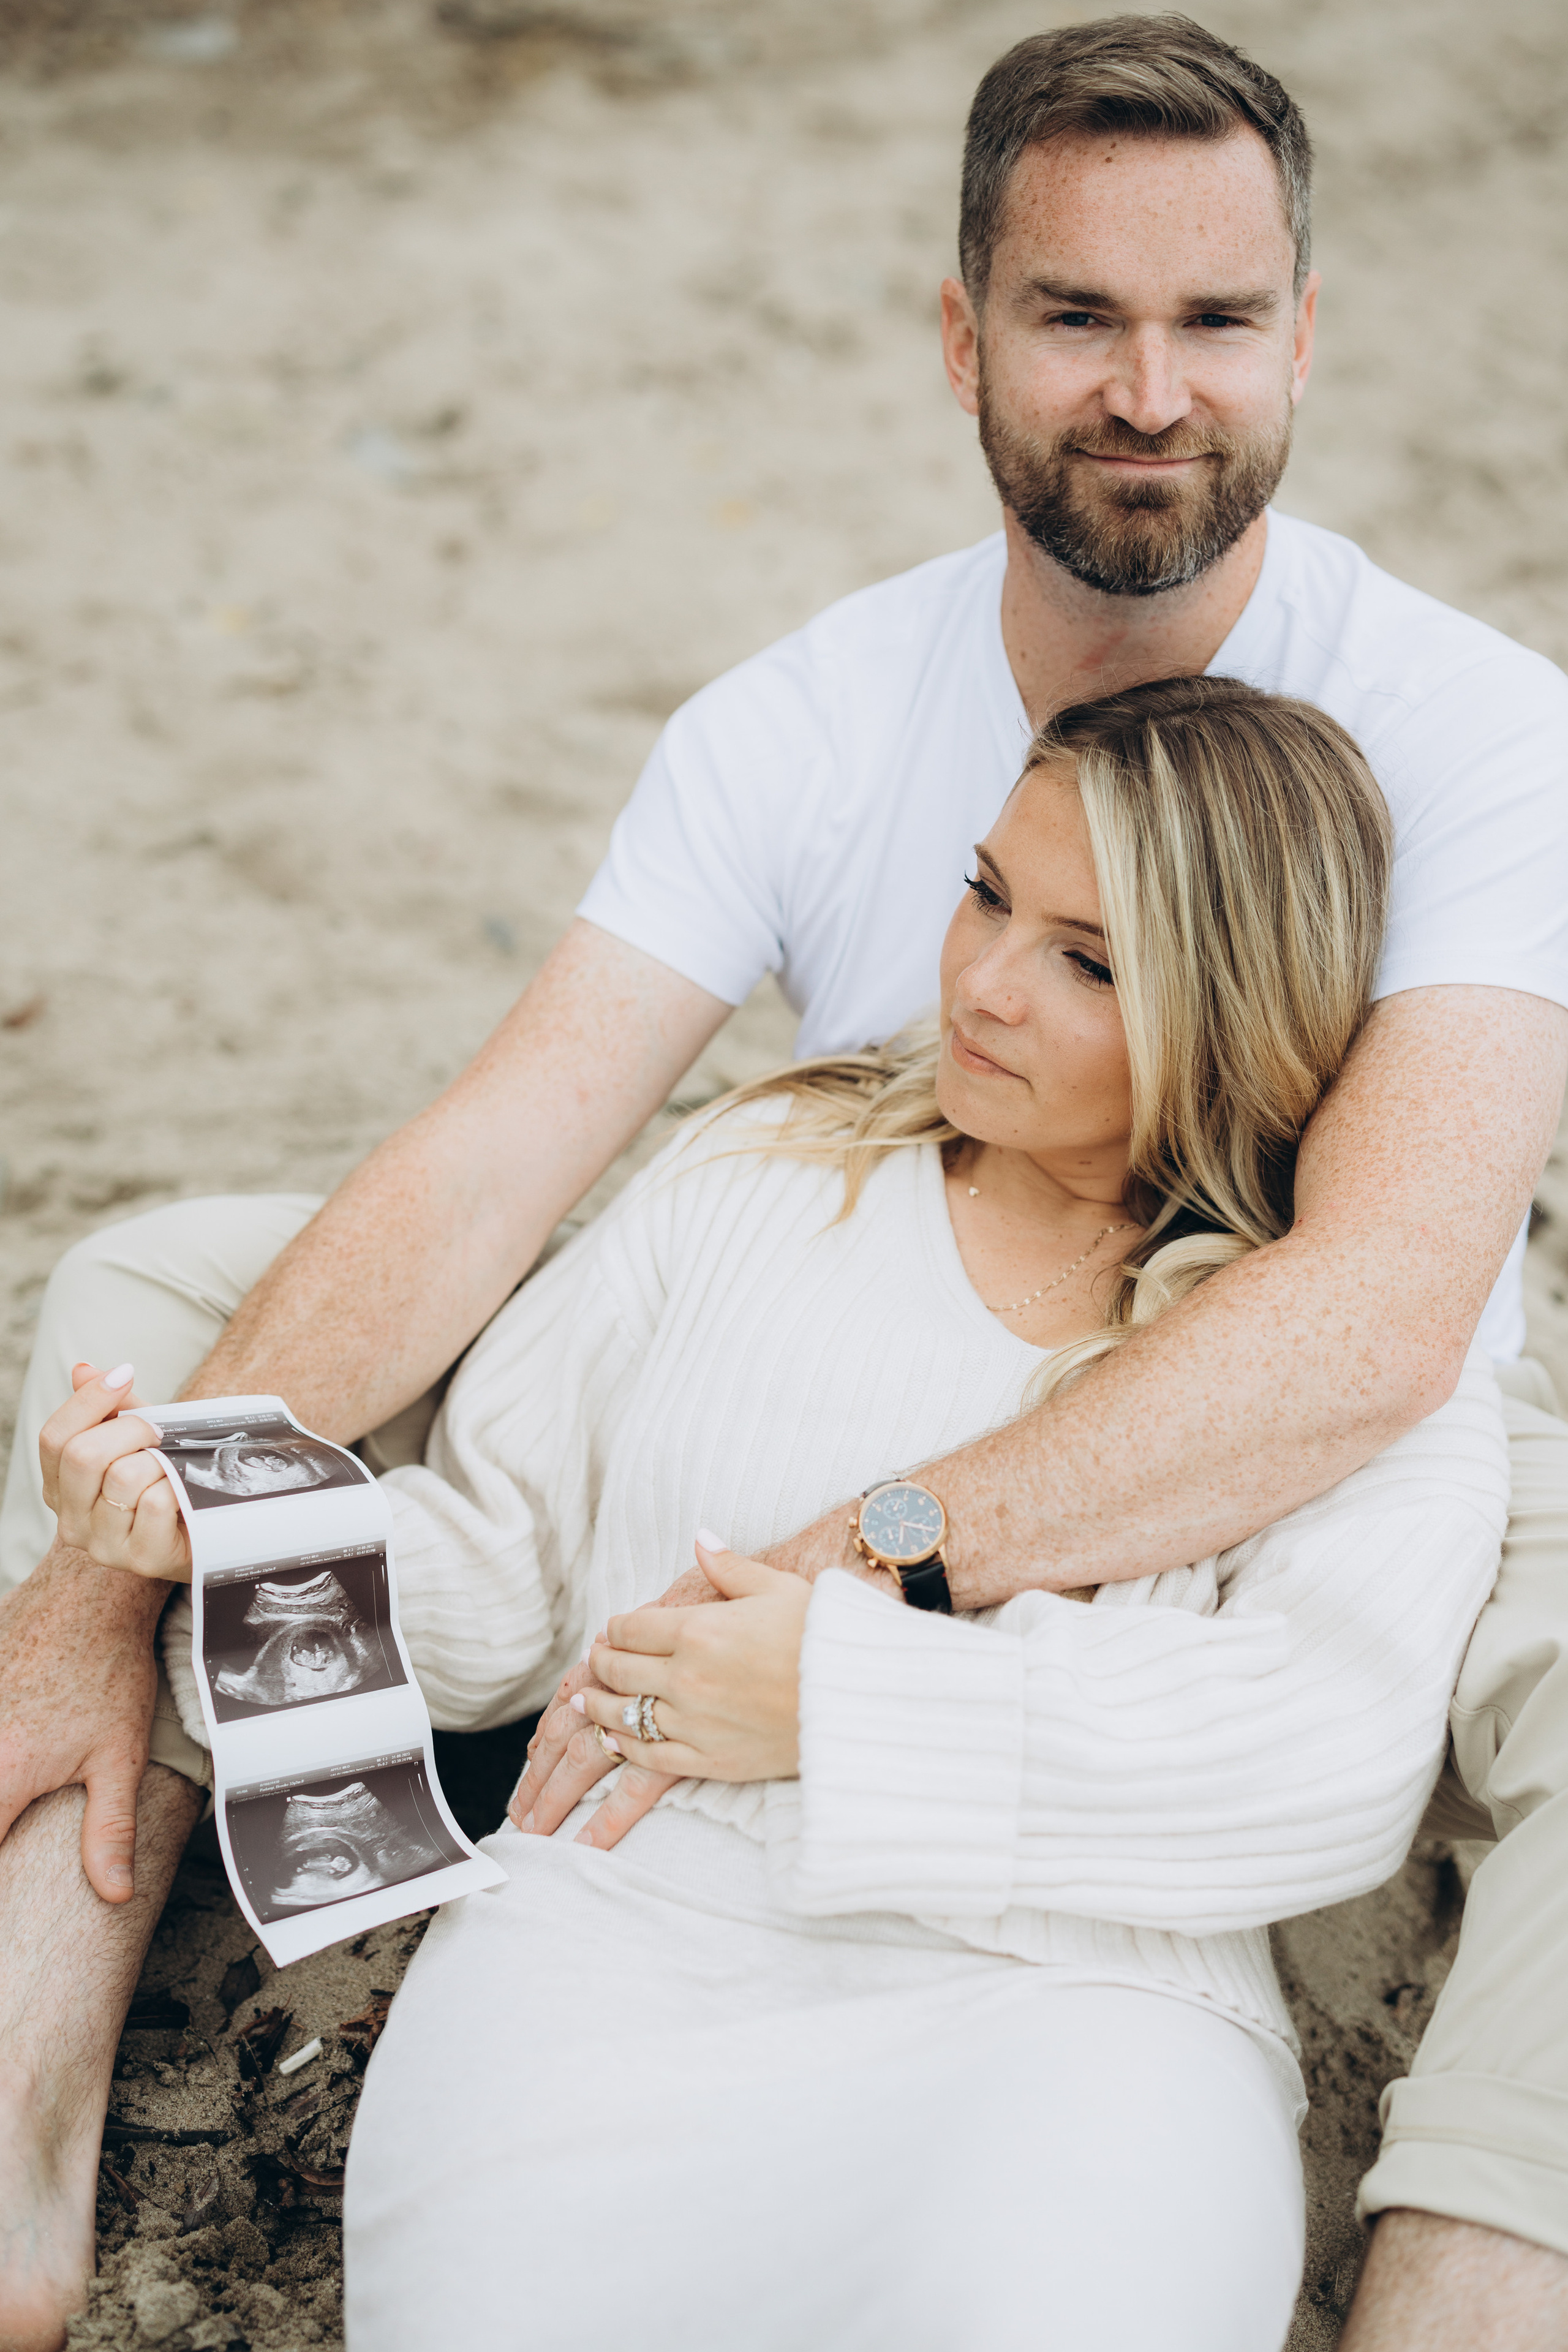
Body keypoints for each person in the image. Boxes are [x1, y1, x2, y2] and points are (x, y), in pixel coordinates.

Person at [3, 16, 1568, 2349]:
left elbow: (1369, 1324)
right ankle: (29, 2121)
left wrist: (843, 1597)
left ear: (1302, 336)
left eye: (1216, 320)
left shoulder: (1469, 729)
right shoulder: (803, 738)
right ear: (966, 337)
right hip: (840, 1299)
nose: (1151, 389)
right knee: (162, 1311)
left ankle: (1453, 2284)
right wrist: (120, 1575)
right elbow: (511, 1147)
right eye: (1076, 317)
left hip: (1319, 1343)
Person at [46, 679, 1509, 2350]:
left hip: (1075, 2031)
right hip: (608, 1953)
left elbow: (1315, 1765)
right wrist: (234, 1531)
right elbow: (510, 1578)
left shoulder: (1335, 1343)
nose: (982, 983)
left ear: (1249, 1011)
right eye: (984, 895)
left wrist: (834, 1701)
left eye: (1087, 962)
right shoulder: (765, 1170)